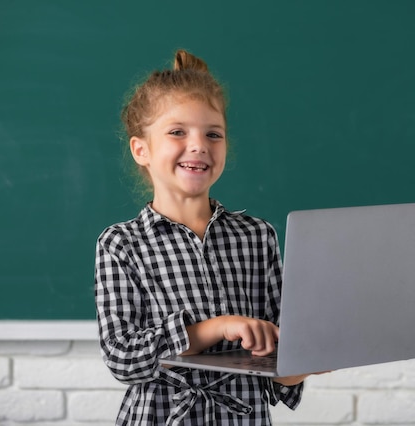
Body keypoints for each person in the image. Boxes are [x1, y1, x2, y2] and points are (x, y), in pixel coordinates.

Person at [94, 49, 311, 425]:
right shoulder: (121, 244)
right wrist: (216, 327)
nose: (199, 145)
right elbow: (122, 358)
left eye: (214, 133)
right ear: (140, 149)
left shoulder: (257, 237)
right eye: (178, 132)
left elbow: (281, 366)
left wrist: (309, 358)